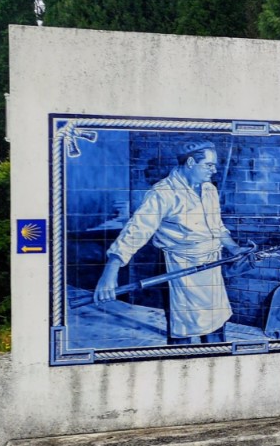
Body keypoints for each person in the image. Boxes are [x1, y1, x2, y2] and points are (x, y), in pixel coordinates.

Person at [94, 140, 241, 344]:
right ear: (191, 162)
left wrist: (234, 248)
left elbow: (217, 227)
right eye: (208, 165)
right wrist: (111, 270)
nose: (214, 170)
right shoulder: (163, 193)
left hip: (210, 267)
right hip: (178, 268)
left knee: (216, 325)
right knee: (183, 331)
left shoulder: (209, 190)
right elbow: (137, 229)